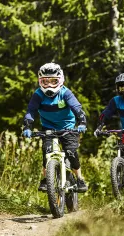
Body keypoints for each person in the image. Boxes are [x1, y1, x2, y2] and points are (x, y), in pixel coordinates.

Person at [23, 62, 88, 192]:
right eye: (45, 81)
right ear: (40, 81)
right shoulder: (38, 95)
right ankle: (47, 179)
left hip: (67, 127)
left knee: (71, 152)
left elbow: (77, 108)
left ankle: (80, 179)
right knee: (46, 152)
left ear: (61, 79)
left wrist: (82, 123)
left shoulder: (65, 93)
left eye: (53, 81)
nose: (49, 85)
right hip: (48, 127)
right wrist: (27, 127)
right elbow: (31, 111)